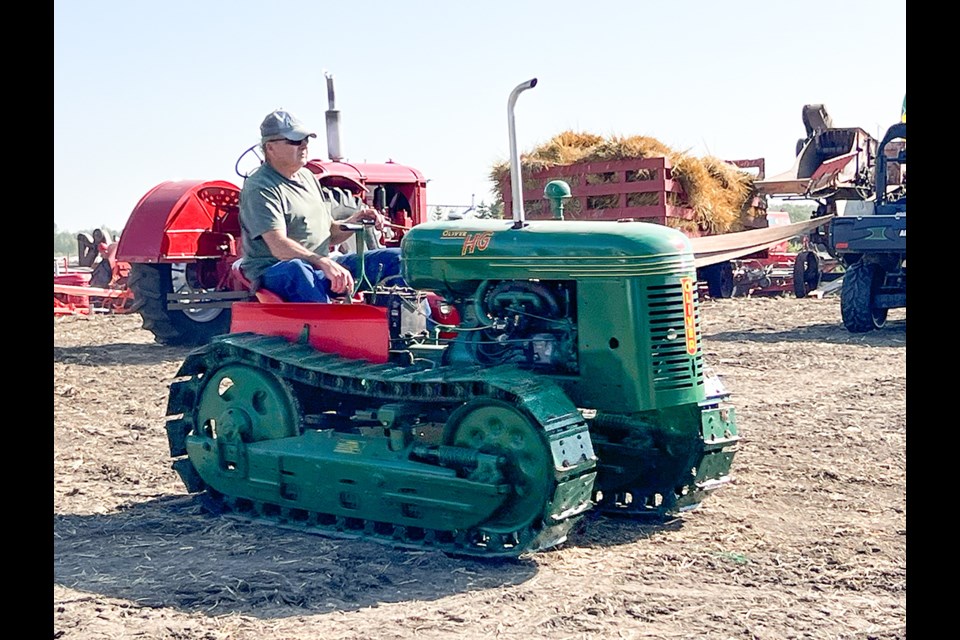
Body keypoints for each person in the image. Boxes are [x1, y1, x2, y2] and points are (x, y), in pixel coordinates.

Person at [238, 109, 404, 302]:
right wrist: (323, 262)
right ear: (270, 148)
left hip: (318, 265)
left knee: (398, 258)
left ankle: (413, 327)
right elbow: (278, 247)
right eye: (294, 141)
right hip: (276, 270)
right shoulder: (260, 186)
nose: (303, 146)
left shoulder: (308, 177)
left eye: (306, 140)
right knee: (297, 270)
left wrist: (354, 220)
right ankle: (335, 326)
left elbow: (330, 234)